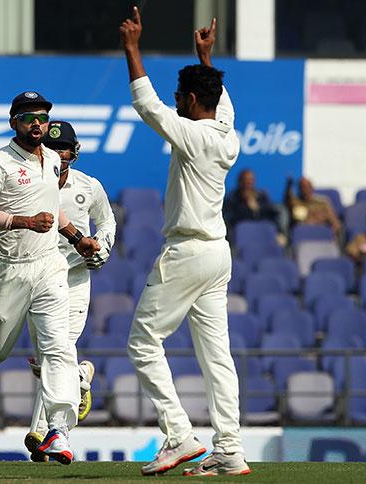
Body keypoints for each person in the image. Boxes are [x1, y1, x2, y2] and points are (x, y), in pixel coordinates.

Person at [120, 11, 251, 476]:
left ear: (192, 100)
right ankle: (230, 449)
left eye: (181, 97)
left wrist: (133, 48)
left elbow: (148, 107)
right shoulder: (225, 130)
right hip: (217, 254)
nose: (175, 102)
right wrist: (205, 57)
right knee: (217, 356)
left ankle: (178, 435)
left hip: (188, 252)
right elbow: (221, 100)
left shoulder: (192, 135)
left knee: (141, 342)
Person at [0, 92, 100, 465]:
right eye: (28, 117)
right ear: (14, 123)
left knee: (58, 348)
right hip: (9, 268)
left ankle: (58, 431)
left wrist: (78, 239)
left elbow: (54, 210)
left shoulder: (50, 162)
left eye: (42, 118)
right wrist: (23, 221)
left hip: (49, 266)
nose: (36, 124)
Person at [24, 120, 117, 462]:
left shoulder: (89, 186)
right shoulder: (31, 184)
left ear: (73, 152)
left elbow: (107, 221)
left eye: (63, 148)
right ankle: (80, 377)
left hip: (75, 278)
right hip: (41, 276)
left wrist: (103, 247)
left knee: (56, 350)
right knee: (48, 358)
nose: (58, 155)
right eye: (52, 148)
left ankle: (43, 432)